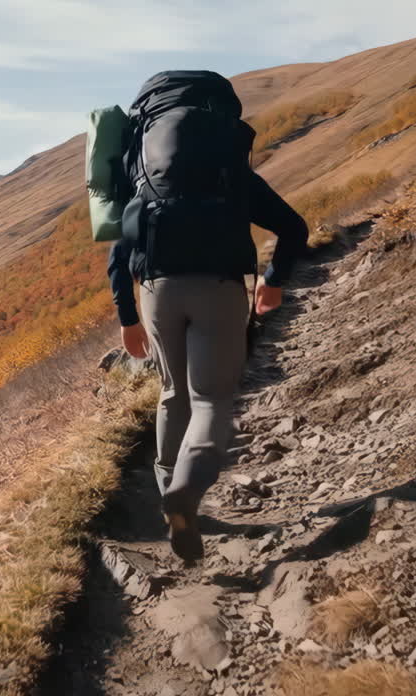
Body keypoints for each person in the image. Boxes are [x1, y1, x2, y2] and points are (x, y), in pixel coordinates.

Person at [107, 71, 308, 562]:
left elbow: (119, 253)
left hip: (157, 290)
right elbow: (293, 227)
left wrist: (127, 317)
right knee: (212, 400)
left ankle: (167, 493)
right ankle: (187, 492)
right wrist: (274, 280)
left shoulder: (147, 178)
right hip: (219, 288)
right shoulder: (233, 174)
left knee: (173, 394)